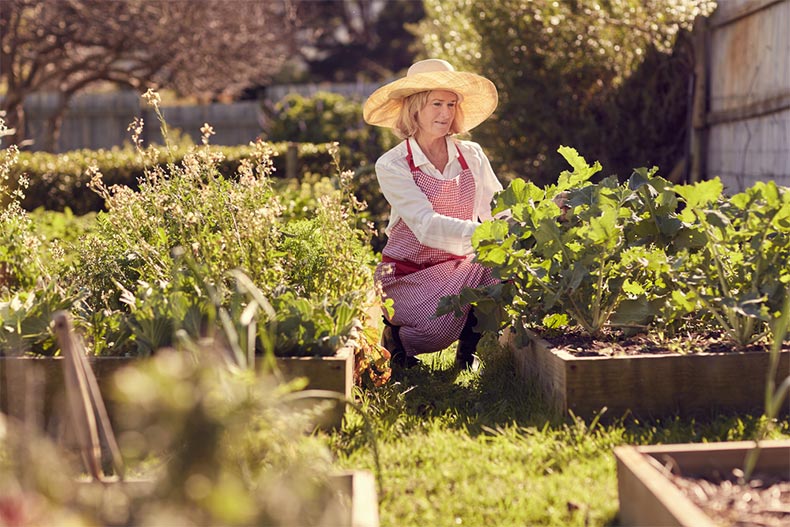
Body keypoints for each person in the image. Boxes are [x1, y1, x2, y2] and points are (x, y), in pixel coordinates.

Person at [362, 58, 504, 371]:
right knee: (435, 329)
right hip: (409, 276)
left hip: (460, 267)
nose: (445, 113)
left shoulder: (472, 155)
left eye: (451, 104)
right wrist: (485, 235)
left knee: (501, 266)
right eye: (436, 104)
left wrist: (532, 218)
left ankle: (469, 356)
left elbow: (496, 208)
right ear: (414, 108)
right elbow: (425, 227)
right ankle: (396, 340)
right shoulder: (393, 164)